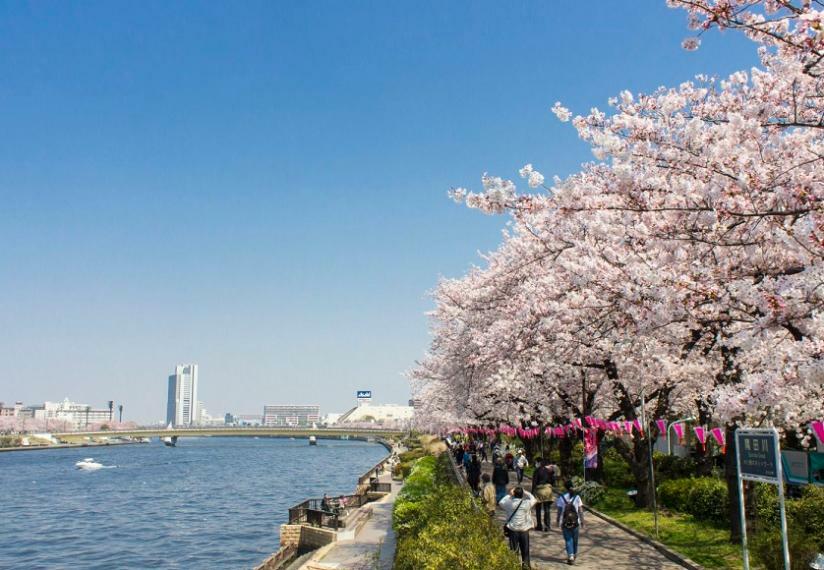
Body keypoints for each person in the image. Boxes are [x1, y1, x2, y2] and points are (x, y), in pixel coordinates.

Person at [499, 486, 538, 568]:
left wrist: (509, 494)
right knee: (525, 552)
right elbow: (534, 499)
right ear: (522, 495)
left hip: (513, 530)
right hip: (524, 530)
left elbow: (501, 502)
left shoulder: (509, 503)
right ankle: (526, 567)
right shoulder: (526, 503)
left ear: (514, 494)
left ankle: (514, 567)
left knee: (514, 551)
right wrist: (526, 492)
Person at [556, 480, 585, 565]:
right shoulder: (577, 497)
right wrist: (582, 521)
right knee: (575, 540)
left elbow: (559, 511)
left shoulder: (561, 497)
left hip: (565, 523)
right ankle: (574, 553)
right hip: (576, 522)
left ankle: (570, 555)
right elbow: (580, 510)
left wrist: (558, 521)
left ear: (565, 487)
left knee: (568, 539)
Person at [531, 458, 553, 531]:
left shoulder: (537, 471)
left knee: (538, 509)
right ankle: (547, 526)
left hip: (539, 490)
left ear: (540, 463)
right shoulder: (549, 471)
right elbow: (552, 481)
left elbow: (534, 482)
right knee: (547, 509)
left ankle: (539, 525)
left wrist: (532, 492)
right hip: (547, 490)